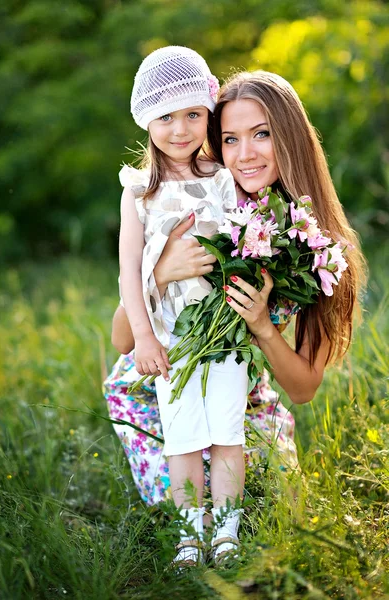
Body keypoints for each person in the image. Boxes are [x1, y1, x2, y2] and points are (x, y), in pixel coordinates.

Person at [106, 67, 366, 566]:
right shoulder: (197, 199)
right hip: (163, 372)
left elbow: (305, 388)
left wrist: (264, 326)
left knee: (268, 502)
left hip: (241, 381)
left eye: (262, 134)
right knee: (184, 485)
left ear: (291, 138)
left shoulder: (318, 249)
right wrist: (159, 274)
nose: (245, 153)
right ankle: (187, 528)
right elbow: (122, 340)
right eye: (230, 138)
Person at [117, 46, 251, 567]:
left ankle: (226, 533)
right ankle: (189, 536)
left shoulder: (223, 177)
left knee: (225, 433)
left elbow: (245, 246)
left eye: (194, 113)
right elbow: (130, 271)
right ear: (146, 120)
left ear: (208, 115)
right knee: (183, 439)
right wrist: (146, 337)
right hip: (172, 337)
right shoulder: (138, 190)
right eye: (166, 116)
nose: (181, 128)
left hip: (224, 330)